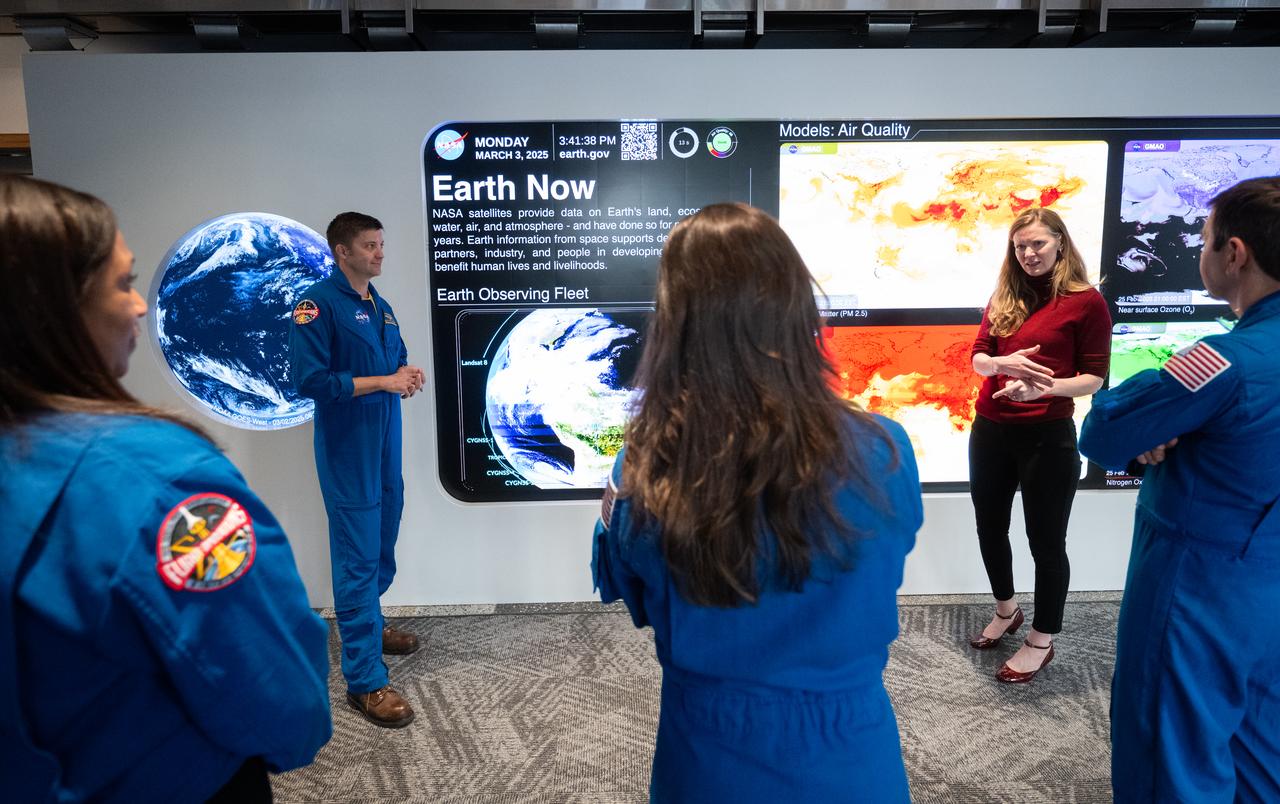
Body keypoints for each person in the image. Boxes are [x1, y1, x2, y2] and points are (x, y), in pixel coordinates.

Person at [0, 175, 331, 802]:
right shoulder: (162, 482)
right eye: (123, 283)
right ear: (54, 307)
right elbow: (276, 693)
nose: (145, 306)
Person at [592, 203, 923, 803]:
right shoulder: (885, 451)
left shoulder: (646, 465)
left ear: (675, 321)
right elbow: (887, 564)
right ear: (797, 305)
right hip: (849, 752)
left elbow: (632, 595)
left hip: (707, 755)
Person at [1079, 176, 1280, 802]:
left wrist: (1158, 429)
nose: (1201, 249)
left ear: (1235, 254)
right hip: (1268, 587)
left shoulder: (1224, 361)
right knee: (1260, 740)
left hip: (1200, 586)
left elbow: (1105, 431)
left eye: (1205, 237)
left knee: (1169, 742)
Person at [289, 212, 426, 729]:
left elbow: (397, 357)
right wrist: (382, 382)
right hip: (349, 449)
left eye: (381, 245)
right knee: (356, 555)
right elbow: (312, 380)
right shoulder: (315, 304)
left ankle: (369, 621)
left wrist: (407, 375)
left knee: (383, 537)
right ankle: (366, 680)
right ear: (341, 251)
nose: (380, 254)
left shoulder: (380, 305)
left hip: (385, 441)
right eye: (370, 246)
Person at [967, 207, 1111, 683]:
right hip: (990, 427)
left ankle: (1041, 640)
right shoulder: (1003, 293)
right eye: (1020, 246)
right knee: (990, 528)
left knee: (1045, 543)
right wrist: (1001, 364)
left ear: (1060, 245)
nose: (1028, 254)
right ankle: (1007, 611)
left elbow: (1094, 378)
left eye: (1038, 245)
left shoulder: (1087, 302)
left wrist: (1043, 388)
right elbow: (979, 357)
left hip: (1047, 436)